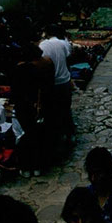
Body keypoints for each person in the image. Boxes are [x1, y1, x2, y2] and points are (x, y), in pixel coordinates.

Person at [11, 43, 53, 178]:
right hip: (35, 107)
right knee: (36, 136)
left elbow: (14, 93)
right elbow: (43, 89)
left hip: (22, 108)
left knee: (24, 137)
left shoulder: (17, 71)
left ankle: (25, 167)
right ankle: (37, 167)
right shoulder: (38, 69)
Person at [39, 24, 76, 158]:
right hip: (64, 80)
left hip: (52, 83)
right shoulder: (62, 44)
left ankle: (57, 140)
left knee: (53, 112)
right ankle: (69, 134)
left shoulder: (43, 46)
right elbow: (68, 58)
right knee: (65, 108)